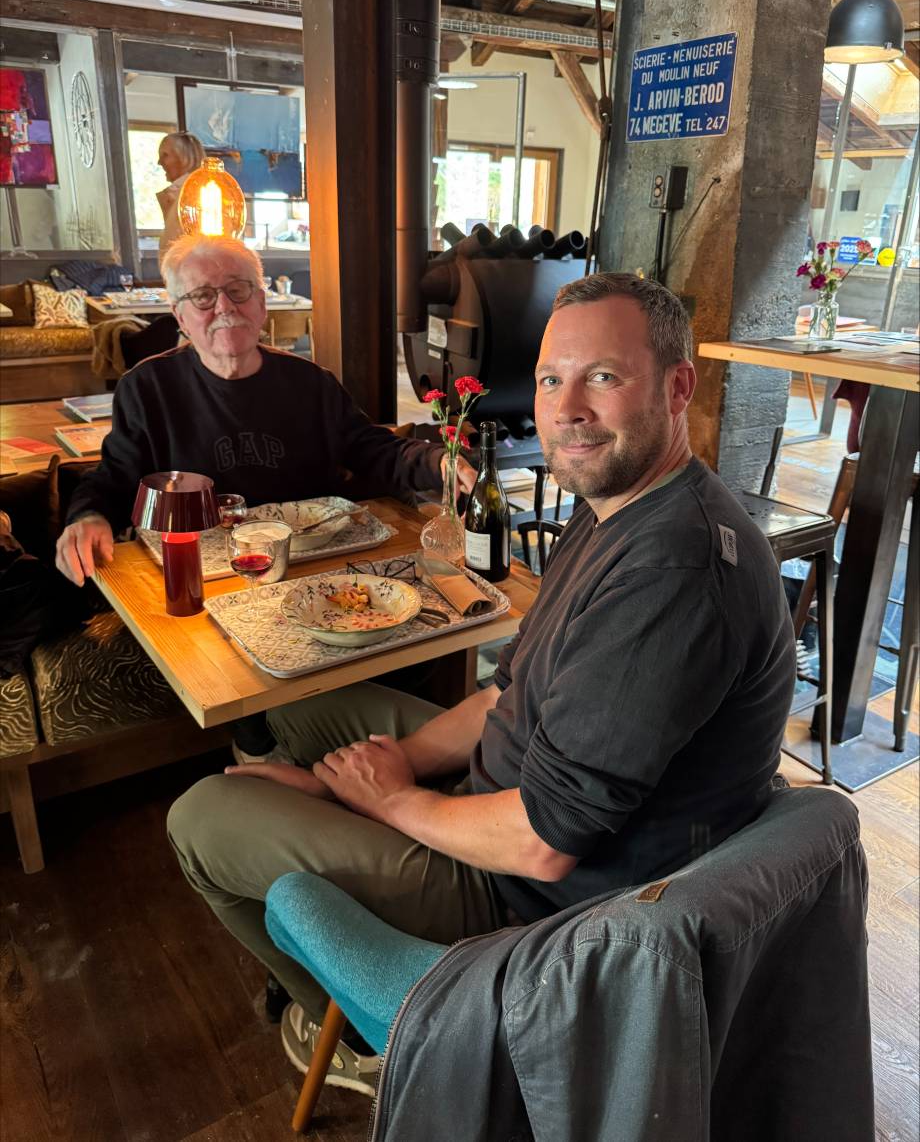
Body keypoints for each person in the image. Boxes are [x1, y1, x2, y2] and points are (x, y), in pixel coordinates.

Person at [167, 272, 796, 1095]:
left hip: (531, 905)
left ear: (679, 387)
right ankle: (328, 836)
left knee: (200, 818)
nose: (566, 407)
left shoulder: (672, 570)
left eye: (602, 377)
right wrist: (372, 774)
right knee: (313, 699)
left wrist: (385, 798)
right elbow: (507, 694)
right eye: (549, 379)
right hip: (499, 801)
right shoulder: (617, 506)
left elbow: (543, 842)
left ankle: (365, 1032)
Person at [55, 234, 468, 756]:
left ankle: (391, 760)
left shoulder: (312, 383)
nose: (224, 307)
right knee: (249, 682)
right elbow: (115, 478)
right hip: (214, 581)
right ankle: (265, 760)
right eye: (203, 297)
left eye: (239, 290)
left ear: (263, 303)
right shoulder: (148, 388)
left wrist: (438, 460)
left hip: (320, 569)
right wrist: (87, 514)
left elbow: (372, 449)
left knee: (423, 632)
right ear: (179, 315)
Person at [156, 132, 205, 262]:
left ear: (185, 158)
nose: (159, 162)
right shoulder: (177, 193)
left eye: (165, 155)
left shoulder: (193, 194)